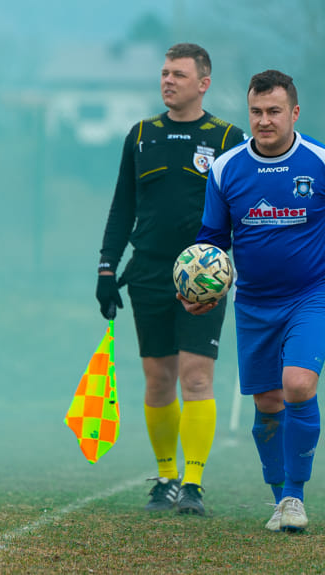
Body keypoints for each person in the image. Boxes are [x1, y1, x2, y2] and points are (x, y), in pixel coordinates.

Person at [179, 69, 325, 532]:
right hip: (253, 302)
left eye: (274, 112)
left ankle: (295, 497)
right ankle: (279, 496)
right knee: (267, 402)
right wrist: (198, 290)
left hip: (312, 293)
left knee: (298, 385)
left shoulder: (323, 163)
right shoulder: (226, 169)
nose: (264, 121)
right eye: (256, 112)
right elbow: (210, 240)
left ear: (294, 112)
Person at [95, 43, 247, 516]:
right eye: (164, 73)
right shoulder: (140, 135)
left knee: (196, 376)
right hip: (148, 273)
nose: (167, 81)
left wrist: (232, 268)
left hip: (205, 277)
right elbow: (123, 206)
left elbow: (242, 211)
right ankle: (165, 479)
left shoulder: (228, 139)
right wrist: (106, 267)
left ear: (203, 83)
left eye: (178, 74)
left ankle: (194, 486)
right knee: (157, 378)